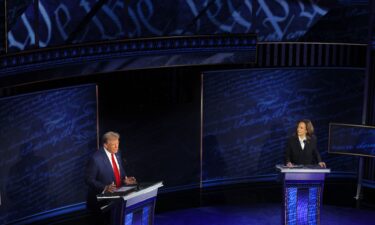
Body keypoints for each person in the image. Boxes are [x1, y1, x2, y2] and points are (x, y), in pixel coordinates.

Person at [85, 131, 136, 224]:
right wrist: (104, 187)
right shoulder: (95, 159)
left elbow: (119, 169)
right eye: (114, 145)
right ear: (105, 145)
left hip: (117, 199)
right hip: (101, 203)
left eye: (118, 144)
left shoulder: (118, 153)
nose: (117, 147)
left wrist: (125, 179)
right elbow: (89, 179)